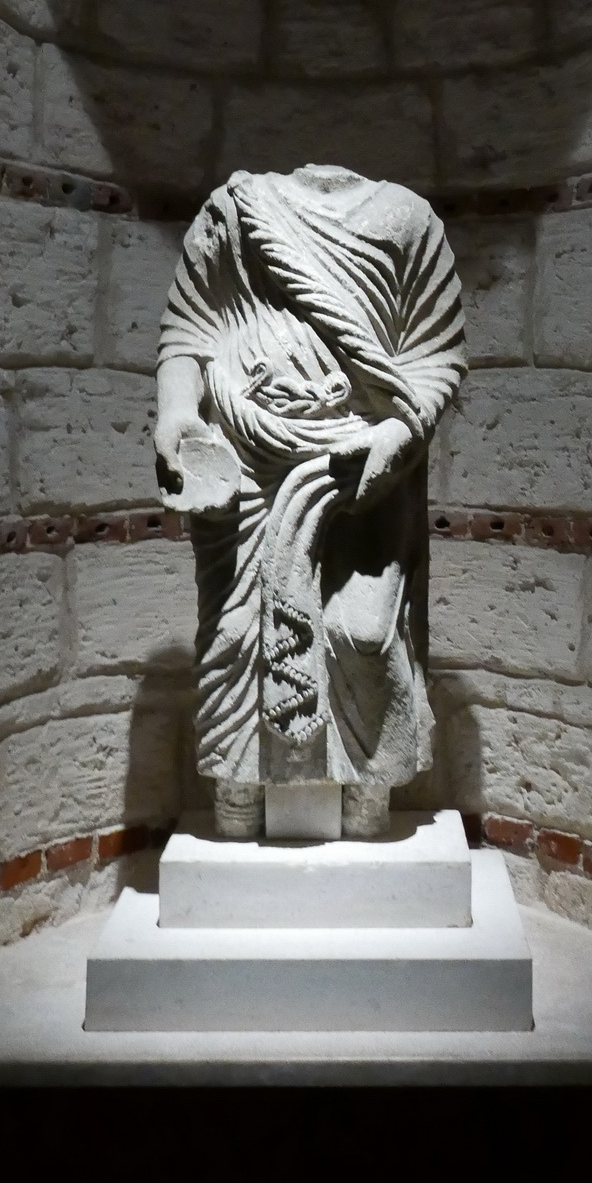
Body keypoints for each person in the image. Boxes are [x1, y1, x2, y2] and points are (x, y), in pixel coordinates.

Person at [155, 164, 466, 839]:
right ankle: (238, 794)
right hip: (245, 458)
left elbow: (437, 357)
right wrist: (177, 413)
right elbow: (189, 331)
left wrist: (396, 439)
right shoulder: (234, 210)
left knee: (364, 634)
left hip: (363, 461)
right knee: (236, 634)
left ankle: (369, 790)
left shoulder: (410, 221)